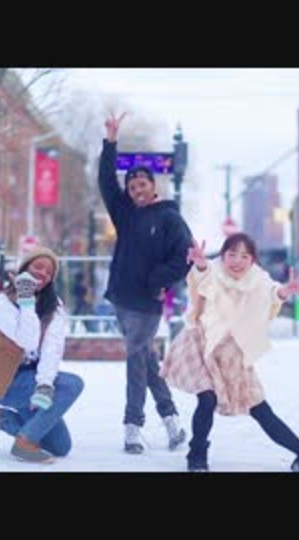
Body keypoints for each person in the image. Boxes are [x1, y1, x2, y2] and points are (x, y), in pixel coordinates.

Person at [161, 232, 299, 472]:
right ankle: (197, 456)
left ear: (252, 260)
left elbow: (272, 293)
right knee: (207, 397)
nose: (237, 261)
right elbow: (202, 280)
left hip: (233, 353)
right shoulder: (213, 270)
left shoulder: (258, 279)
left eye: (245, 256)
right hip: (201, 344)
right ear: (223, 255)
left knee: (260, 408)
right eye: (232, 254)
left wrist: (285, 291)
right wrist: (201, 265)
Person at [98, 112, 194, 454]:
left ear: (153, 186)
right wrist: (111, 142)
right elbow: (106, 181)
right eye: (132, 187)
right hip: (121, 299)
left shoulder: (169, 217)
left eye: (142, 185)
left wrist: (157, 280)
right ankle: (172, 422)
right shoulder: (124, 214)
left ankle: (133, 427)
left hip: (147, 302)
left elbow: (184, 256)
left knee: (135, 361)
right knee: (146, 361)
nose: (137, 190)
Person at [0, 245, 85, 464]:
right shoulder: (1, 302)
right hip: (7, 383)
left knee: (60, 446)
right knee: (72, 384)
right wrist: (26, 300)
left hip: (34, 381)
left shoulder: (54, 306)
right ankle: (24, 443)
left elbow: (52, 349)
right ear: (25, 267)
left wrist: (45, 384)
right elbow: (28, 340)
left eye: (49, 272)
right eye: (38, 266)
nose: (42, 273)